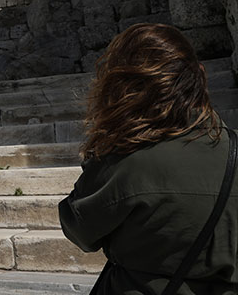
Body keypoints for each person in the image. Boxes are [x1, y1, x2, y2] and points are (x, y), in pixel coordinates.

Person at [59, 23, 238, 294]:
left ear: (123, 87)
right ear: (196, 78)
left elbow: (79, 229)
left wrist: (102, 151)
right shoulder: (234, 148)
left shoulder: (126, 160)